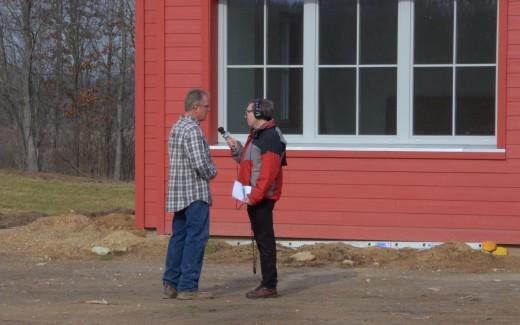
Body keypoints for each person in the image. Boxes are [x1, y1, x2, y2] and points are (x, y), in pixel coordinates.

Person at [224, 98, 287, 299]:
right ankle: (267, 283)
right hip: (254, 196)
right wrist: (237, 150)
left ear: (259, 114)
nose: (246, 115)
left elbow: (268, 174)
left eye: (248, 111)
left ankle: (269, 285)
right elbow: (250, 163)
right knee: (262, 239)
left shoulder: (270, 137)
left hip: (261, 197)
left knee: (265, 240)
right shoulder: (257, 135)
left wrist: (254, 197)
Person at [162, 88, 217, 300]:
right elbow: (200, 163)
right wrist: (214, 171)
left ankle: (171, 282)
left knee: (179, 237)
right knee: (196, 239)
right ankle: (188, 286)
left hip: (178, 193)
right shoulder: (193, 130)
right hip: (195, 193)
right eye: (206, 107)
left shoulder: (176, 127)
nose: (208, 111)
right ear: (195, 107)